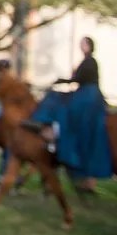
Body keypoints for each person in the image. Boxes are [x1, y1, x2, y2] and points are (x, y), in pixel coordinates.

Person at [36, 37, 112, 192]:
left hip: (88, 96)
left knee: (64, 108)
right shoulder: (86, 61)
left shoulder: (91, 61)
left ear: (90, 46)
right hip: (84, 93)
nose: (81, 46)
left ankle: (56, 134)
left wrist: (62, 80)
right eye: (81, 43)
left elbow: (79, 79)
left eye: (84, 43)